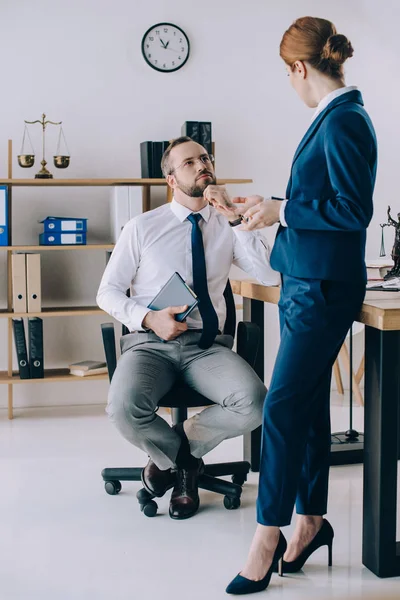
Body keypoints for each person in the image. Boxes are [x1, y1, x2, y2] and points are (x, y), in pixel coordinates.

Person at [206, 16, 377, 595]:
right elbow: (322, 201)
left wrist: (282, 211)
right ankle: (310, 520)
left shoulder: (346, 120)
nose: (289, 82)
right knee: (303, 407)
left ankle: (267, 535)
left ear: (300, 68)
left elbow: (354, 212)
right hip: (305, 279)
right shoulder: (334, 118)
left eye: (287, 73)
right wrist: (274, 204)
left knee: (281, 407)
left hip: (323, 287)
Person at [96, 136, 279, 520]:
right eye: (190, 162)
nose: (202, 165)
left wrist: (235, 220)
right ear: (171, 180)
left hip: (206, 347)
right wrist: (149, 318)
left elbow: (269, 274)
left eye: (206, 158)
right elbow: (107, 293)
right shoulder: (142, 227)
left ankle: (173, 457)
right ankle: (184, 466)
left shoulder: (228, 225)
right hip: (150, 343)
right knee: (124, 408)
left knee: (257, 402)